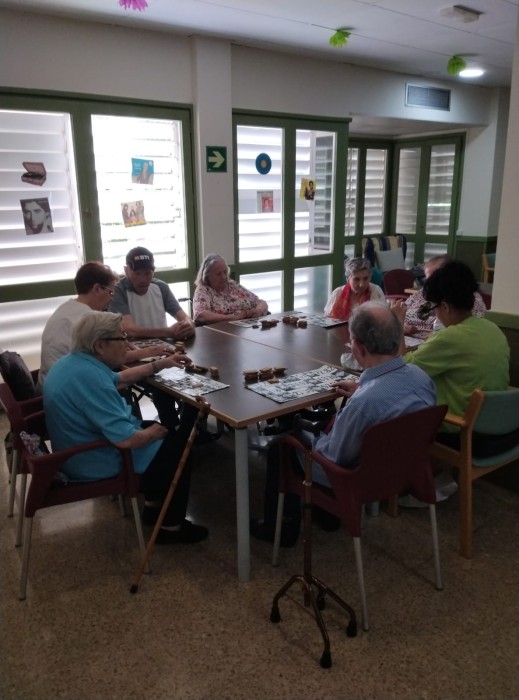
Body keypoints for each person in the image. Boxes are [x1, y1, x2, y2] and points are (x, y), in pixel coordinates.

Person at [250, 301, 436, 546]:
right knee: (326, 423)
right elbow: (393, 404)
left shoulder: (364, 404)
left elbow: (335, 457)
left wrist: (301, 432)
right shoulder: (422, 379)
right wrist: (362, 389)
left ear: (357, 347)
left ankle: (280, 529)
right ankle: (327, 517)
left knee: (282, 445)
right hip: (404, 470)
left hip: (358, 480)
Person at [43, 312, 208, 545]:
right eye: (121, 338)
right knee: (178, 448)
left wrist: (158, 364)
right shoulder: (89, 378)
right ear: (100, 345)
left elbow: (117, 380)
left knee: (161, 432)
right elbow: (127, 439)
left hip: (76, 447)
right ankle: (171, 528)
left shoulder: (73, 363)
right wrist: (154, 432)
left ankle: (153, 508)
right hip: (91, 460)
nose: (127, 344)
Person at [398, 260, 510, 426]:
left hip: (460, 428)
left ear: (445, 307)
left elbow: (402, 370)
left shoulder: (450, 337)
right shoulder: (494, 330)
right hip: (498, 424)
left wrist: (398, 324)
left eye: (435, 308)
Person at [37, 261, 179, 392]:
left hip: (52, 385)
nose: (112, 298)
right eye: (111, 292)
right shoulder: (88, 319)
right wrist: (150, 351)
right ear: (97, 289)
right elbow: (113, 357)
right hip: (71, 390)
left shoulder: (67, 307)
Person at [109, 247, 195, 340]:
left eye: (147, 274)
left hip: (163, 345)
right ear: (126, 271)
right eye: (137, 274)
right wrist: (168, 332)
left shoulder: (161, 287)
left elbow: (185, 318)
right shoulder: (118, 291)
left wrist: (189, 325)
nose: (142, 280)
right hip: (132, 347)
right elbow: (128, 329)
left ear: (153, 271)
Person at [404, 254, 486, 335]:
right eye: (428, 280)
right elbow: (403, 311)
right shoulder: (423, 293)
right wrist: (403, 325)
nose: (431, 285)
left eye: (435, 279)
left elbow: (470, 330)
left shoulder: (468, 300)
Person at [192, 254, 269, 324]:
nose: (223, 277)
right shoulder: (203, 290)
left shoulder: (233, 285)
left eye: (225, 272)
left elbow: (260, 302)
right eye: (218, 274)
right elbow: (200, 315)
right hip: (221, 331)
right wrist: (234, 318)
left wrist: (258, 311)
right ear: (207, 276)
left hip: (246, 328)